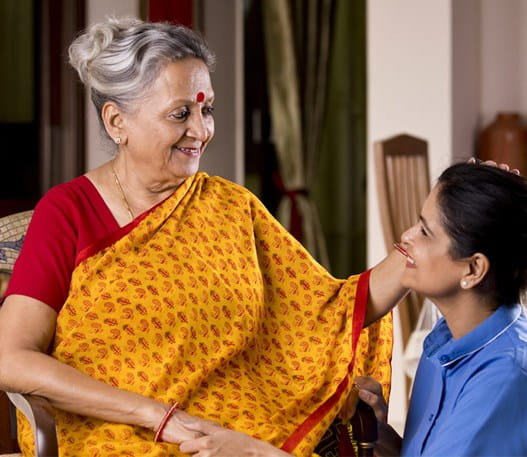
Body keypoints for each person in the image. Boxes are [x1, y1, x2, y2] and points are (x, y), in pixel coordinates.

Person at [0, 17, 405, 457]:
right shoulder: (69, 212)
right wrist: (160, 417)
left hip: (232, 435)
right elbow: (12, 359)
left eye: (206, 109)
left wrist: (430, 241)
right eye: (181, 114)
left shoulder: (231, 207)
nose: (201, 130)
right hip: (112, 433)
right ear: (117, 122)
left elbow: (329, 311)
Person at [355, 162, 527, 457]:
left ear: (473, 269)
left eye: (424, 231)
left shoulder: (503, 378)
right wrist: (381, 435)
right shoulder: (444, 340)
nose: (407, 236)